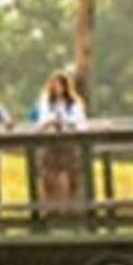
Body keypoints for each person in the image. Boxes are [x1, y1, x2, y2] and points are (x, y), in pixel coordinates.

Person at [32, 70, 87, 205]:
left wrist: (67, 123)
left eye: (60, 85)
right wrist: (50, 123)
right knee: (49, 176)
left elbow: (81, 123)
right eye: (54, 85)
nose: (57, 88)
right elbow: (41, 121)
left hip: (70, 142)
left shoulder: (74, 103)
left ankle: (74, 206)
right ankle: (51, 206)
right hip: (51, 143)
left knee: (73, 176)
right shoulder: (45, 101)